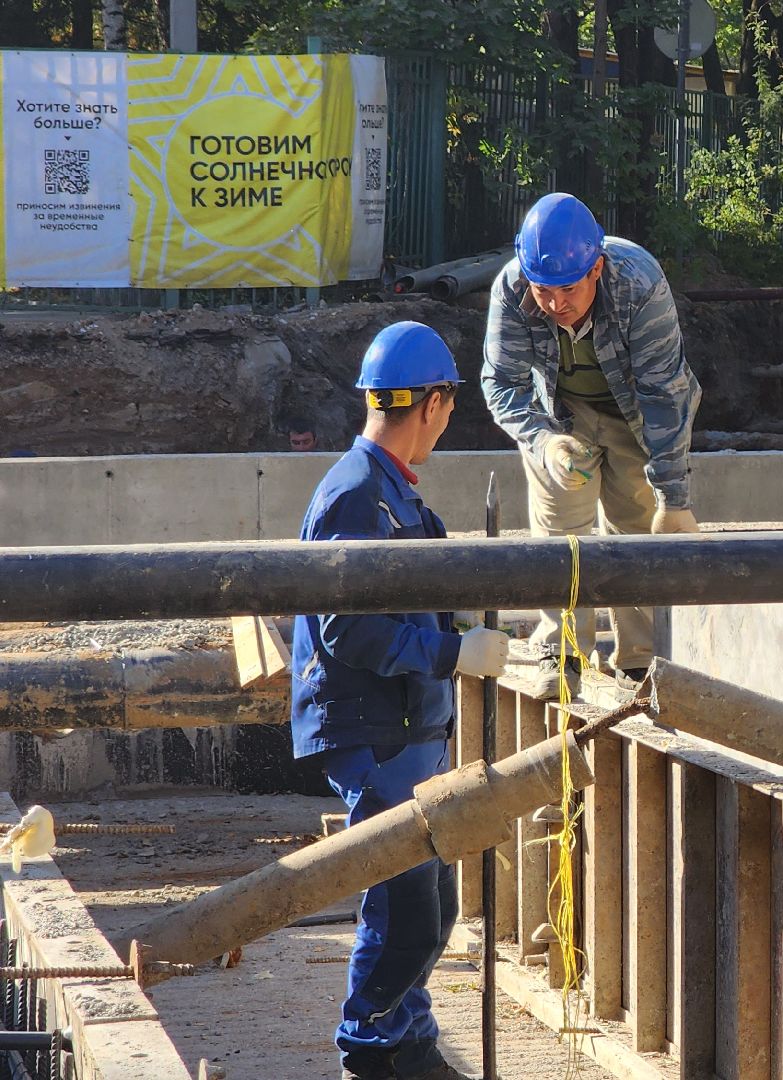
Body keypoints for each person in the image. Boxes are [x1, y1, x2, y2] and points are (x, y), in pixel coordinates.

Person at [290, 321, 511, 1080]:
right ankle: (374, 1049)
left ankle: (408, 1041)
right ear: (435, 402)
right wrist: (454, 652)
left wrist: (460, 622)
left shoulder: (393, 498)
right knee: (403, 908)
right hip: (375, 731)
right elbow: (347, 630)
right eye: (447, 414)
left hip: (407, 730)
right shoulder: (356, 496)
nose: (443, 430)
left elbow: (412, 604)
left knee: (433, 907)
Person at [482, 193, 701, 698]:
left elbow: (664, 394)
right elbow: (502, 385)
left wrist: (674, 496)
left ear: (596, 268)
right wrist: (544, 442)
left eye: (567, 289)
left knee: (637, 527)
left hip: (637, 414)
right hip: (561, 416)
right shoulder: (511, 290)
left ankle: (642, 661)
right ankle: (562, 652)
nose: (556, 304)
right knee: (562, 529)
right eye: (543, 291)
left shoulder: (639, 284)